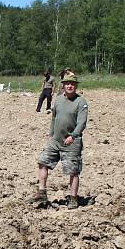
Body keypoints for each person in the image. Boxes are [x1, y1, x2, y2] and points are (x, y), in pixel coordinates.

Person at [29, 71, 88, 209]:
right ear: (63, 85)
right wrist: (51, 133)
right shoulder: (59, 99)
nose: (70, 86)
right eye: (67, 83)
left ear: (76, 86)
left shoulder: (81, 102)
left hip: (72, 142)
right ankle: (42, 193)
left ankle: (73, 198)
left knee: (73, 171)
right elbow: (54, 117)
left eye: (72, 84)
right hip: (55, 140)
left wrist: (73, 136)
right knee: (43, 162)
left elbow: (82, 123)